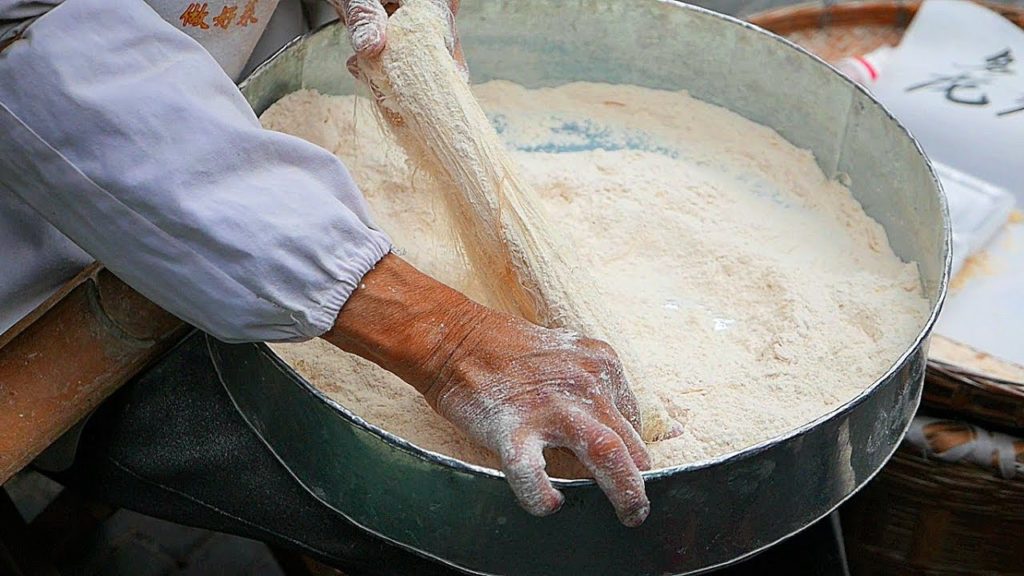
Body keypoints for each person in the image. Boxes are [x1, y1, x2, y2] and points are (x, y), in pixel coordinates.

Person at [0, 0, 655, 570]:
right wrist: (449, 341)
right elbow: (41, 53)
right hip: (64, 248)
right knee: (511, 537)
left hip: (263, 73)